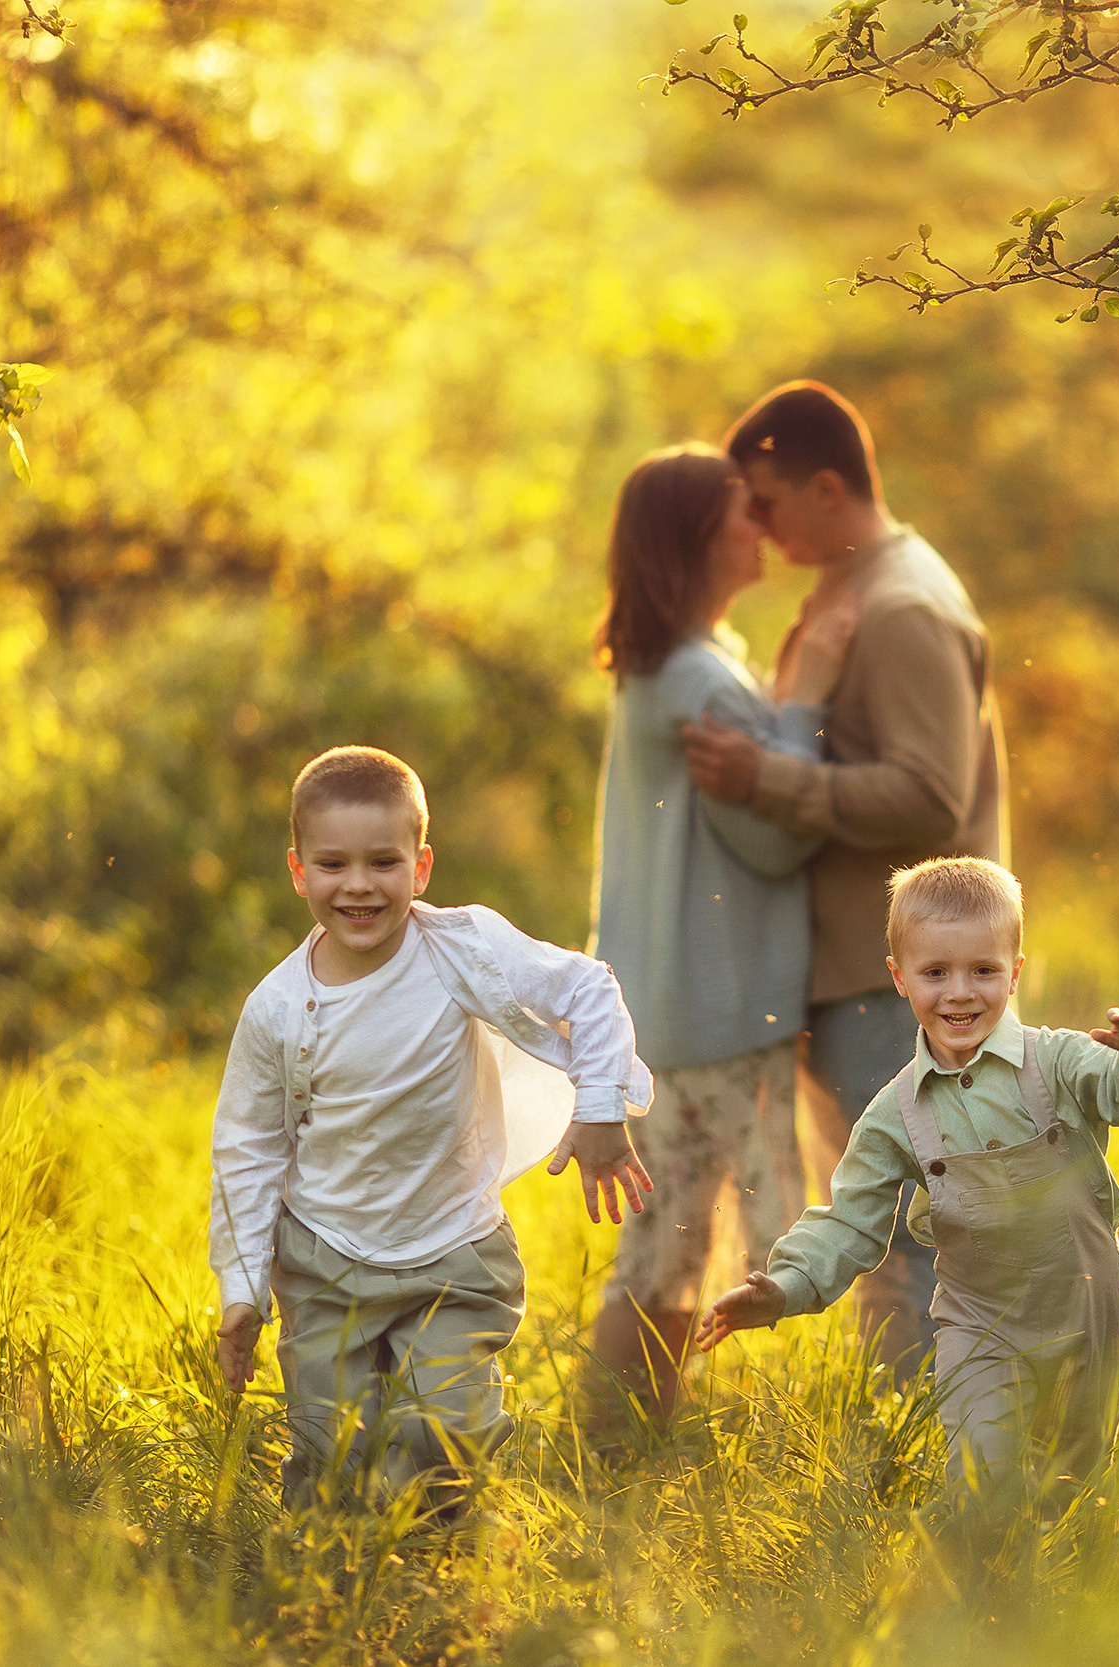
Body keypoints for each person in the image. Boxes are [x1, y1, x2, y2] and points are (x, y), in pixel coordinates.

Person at [209, 745, 655, 1515]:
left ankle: (446, 1562)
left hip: (453, 1251)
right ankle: (335, 1585)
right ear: (298, 870)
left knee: (453, 1431)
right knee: (334, 1452)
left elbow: (586, 984)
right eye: (332, 863)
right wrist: (244, 1284)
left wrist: (602, 1108)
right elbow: (248, 1146)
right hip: (325, 1256)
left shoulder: (458, 948)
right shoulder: (277, 1008)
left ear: (420, 867)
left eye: (382, 862)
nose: (357, 884)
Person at [695, 857, 1119, 1538]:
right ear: (899, 976)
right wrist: (785, 1286)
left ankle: (1065, 1603)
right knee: (984, 1484)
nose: (960, 993)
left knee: (1070, 1489)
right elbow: (848, 1222)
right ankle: (971, 1601)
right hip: (978, 1324)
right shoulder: (895, 1112)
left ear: (1016, 970)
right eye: (935, 972)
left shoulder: (1062, 1061)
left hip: (1086, 1313)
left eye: (983, 970)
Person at [683, 381, 1006, 1375]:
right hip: (857, 973)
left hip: (894, 984)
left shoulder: (901, 606)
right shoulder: (849, 587)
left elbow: (928, 801)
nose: (756, 525)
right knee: (885, 1230)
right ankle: (916, 1456)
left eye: (766, 501)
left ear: (828, 488)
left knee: (907, 1233)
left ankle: (928, 1465)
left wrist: (767, 778)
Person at [584, 444, 860, 1425]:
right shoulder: (702, 678)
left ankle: (632, 1444)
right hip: (711, 1014)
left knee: (670, 1238)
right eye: (744, 512)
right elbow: (779, 839)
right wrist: (810, 696)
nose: (761, 528)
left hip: (665, 1009)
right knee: (664, 1243)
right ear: (701, 535)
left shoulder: (661, 667)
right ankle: (612, 1450)